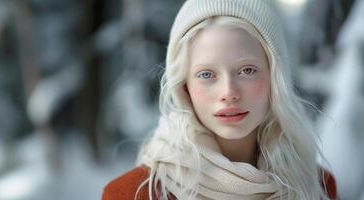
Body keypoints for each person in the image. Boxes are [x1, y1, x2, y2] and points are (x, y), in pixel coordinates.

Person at [102, 0, 338, 199]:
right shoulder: (132, 194)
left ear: (275, 77)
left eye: (247, 70)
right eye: (207, 75)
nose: (228, 92)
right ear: (184, 86)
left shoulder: (316, 187)